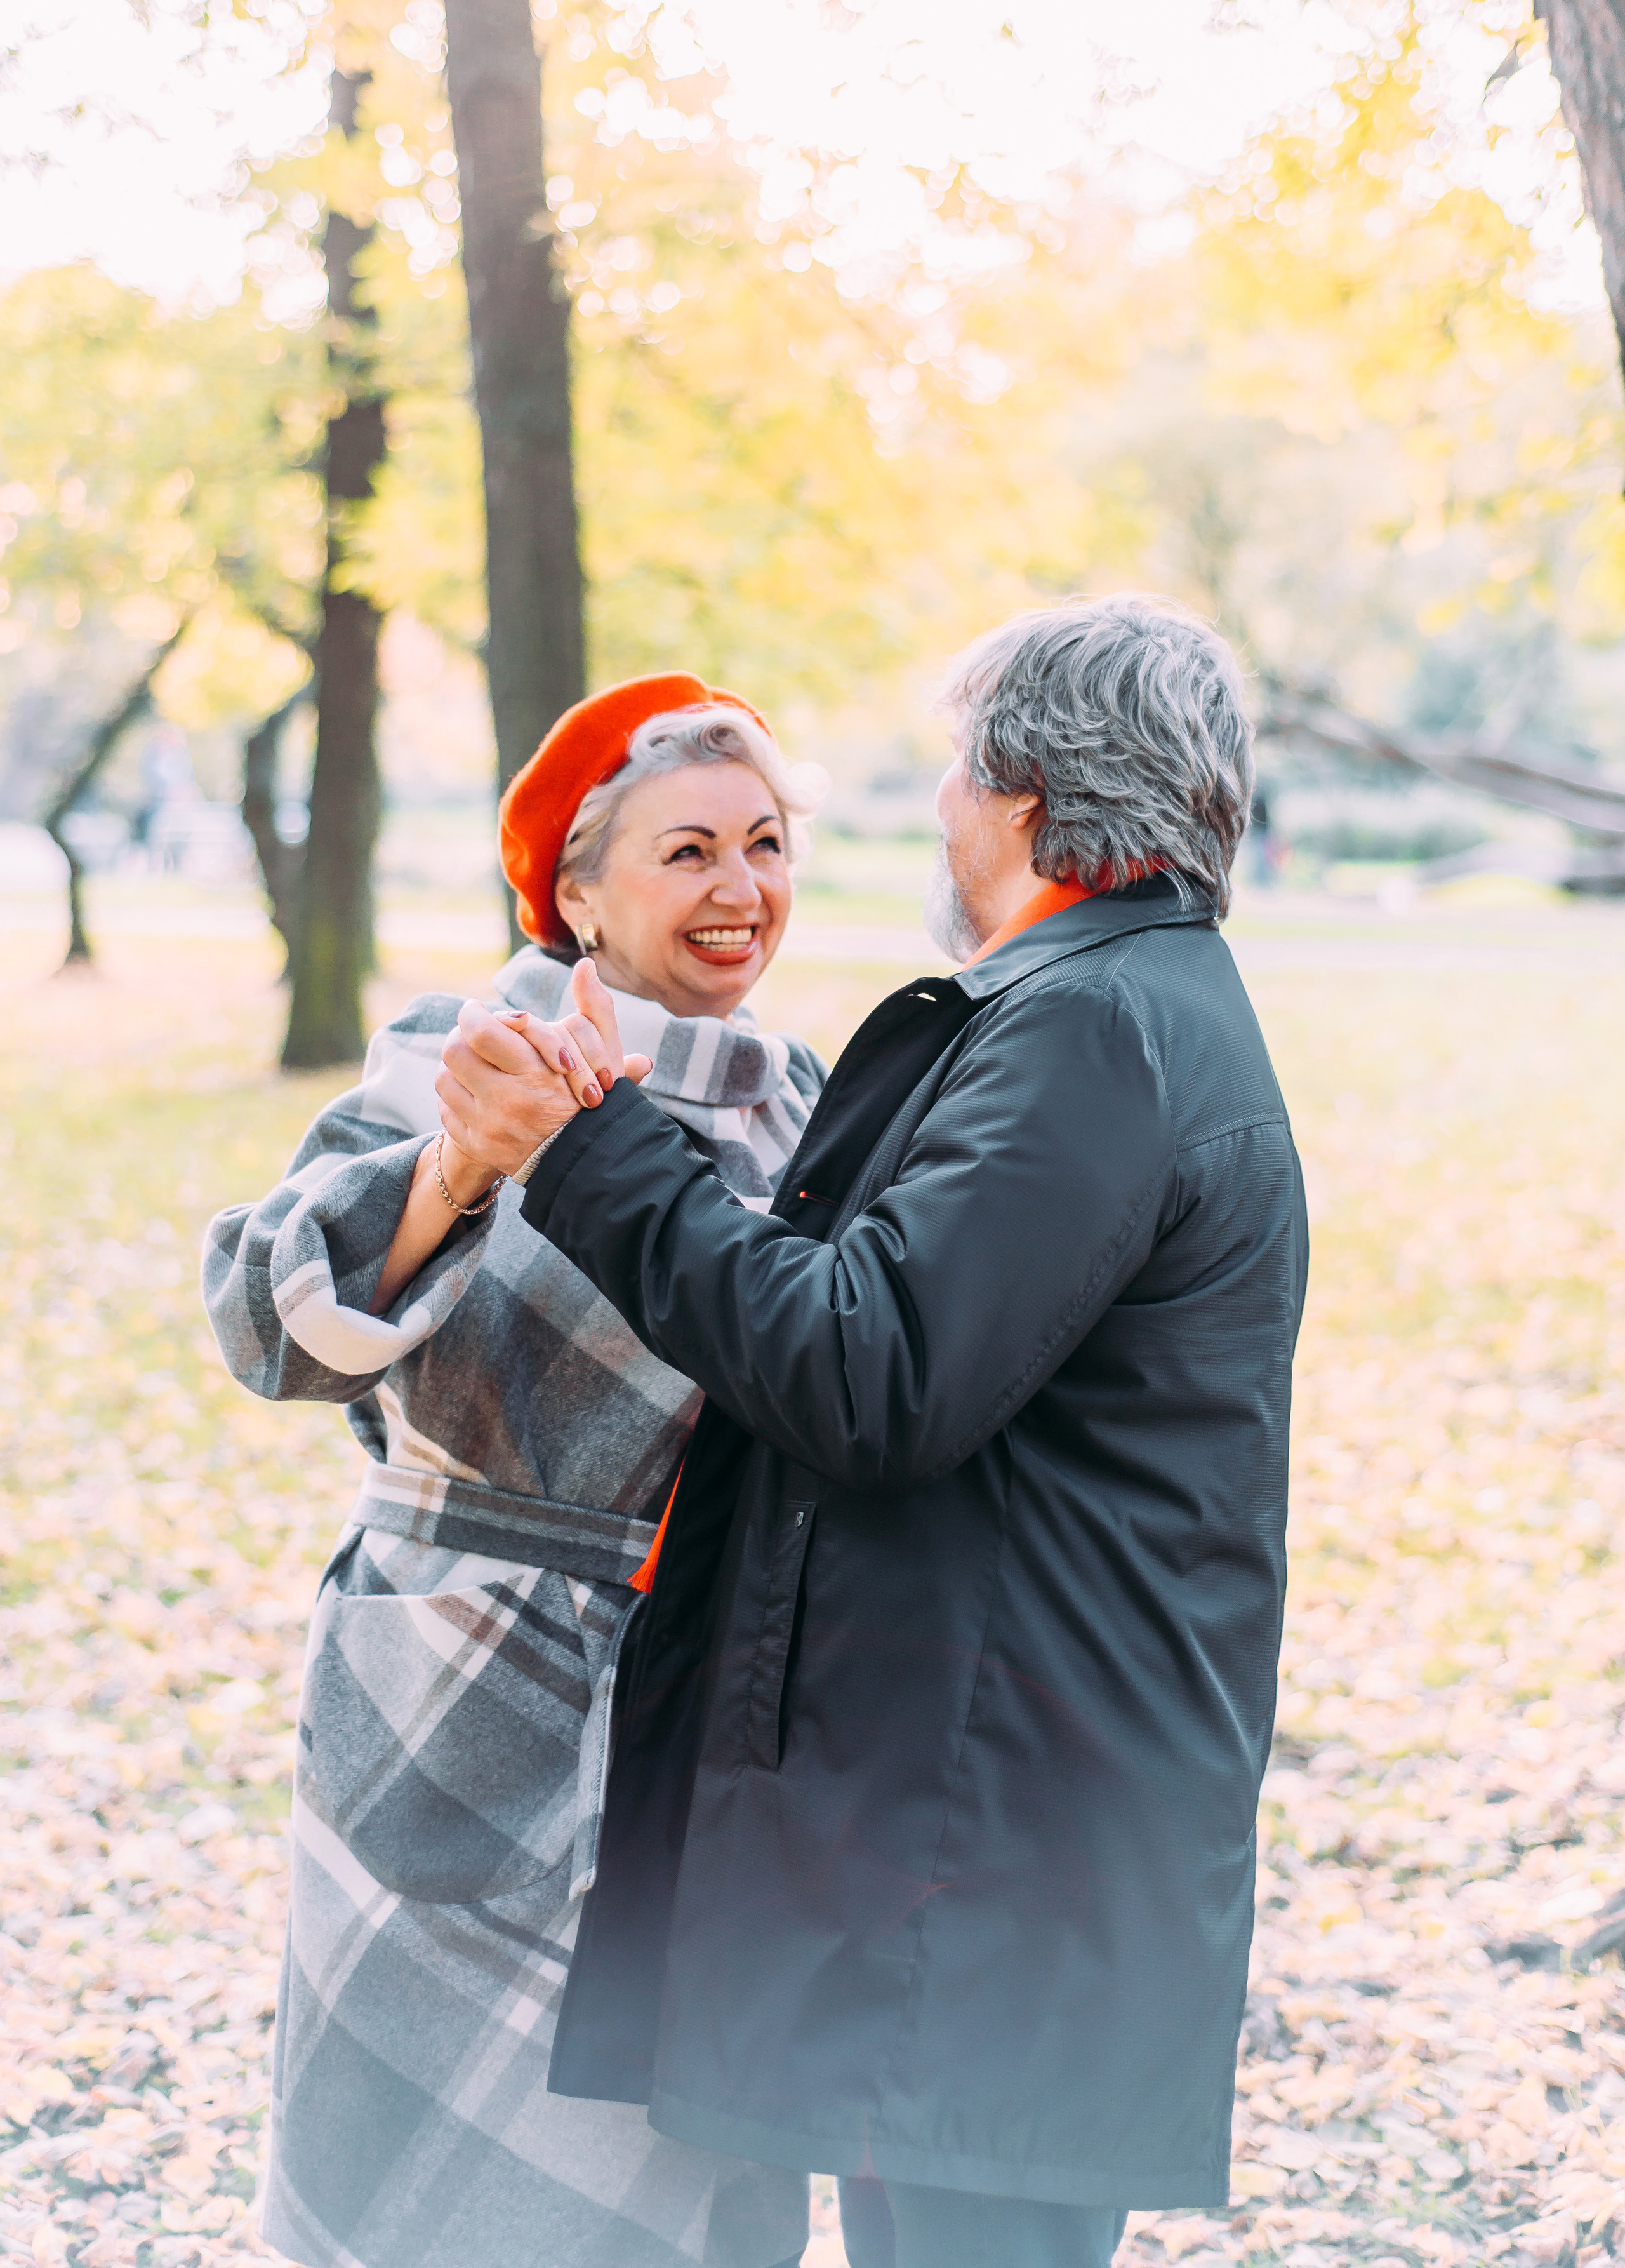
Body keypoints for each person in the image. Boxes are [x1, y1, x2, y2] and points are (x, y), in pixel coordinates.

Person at [440, 596, 1311, 2268]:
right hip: (1017, 1816)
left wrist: (601, 1154)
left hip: (1009, 1843)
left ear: (1030, 799)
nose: (936, 810)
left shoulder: (1093, 1035)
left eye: (953, 774)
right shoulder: (1119, 1010)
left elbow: (871, 1365)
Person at [201, 674, 823, 2268]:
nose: (739, 890)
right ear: (577, 889)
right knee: (422, 2202)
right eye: (686, 853)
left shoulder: (810, 1100)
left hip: (698, 1719)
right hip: (457, 1687)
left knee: (667, 2183)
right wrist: (454, 1169)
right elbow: (259, 1322)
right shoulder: (459, 1053)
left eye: (763, 844)